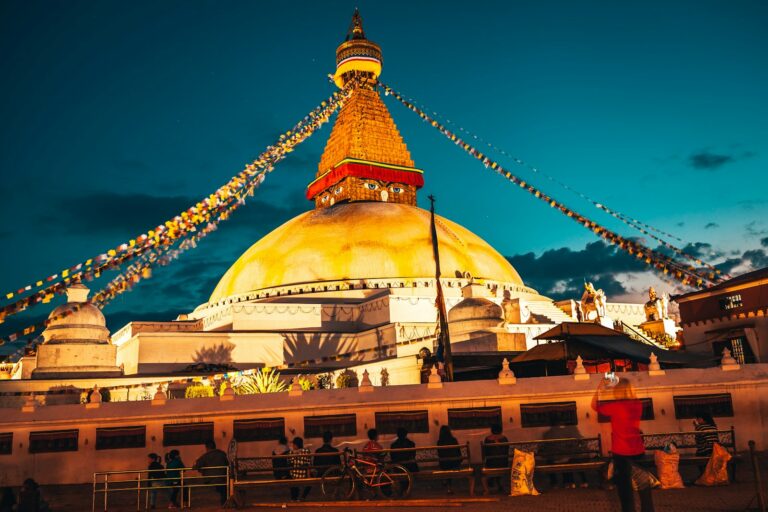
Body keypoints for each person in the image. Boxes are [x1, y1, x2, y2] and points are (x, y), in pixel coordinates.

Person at [592, 377, 655, 512]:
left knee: (625, 490)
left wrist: (600, 386)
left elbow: (594, 405)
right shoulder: (637, 404)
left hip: (621, 451)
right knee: (644, 486)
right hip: (638, 449)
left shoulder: (615, 406)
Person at [193, 440, 230, 505]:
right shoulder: (222, 454)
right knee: (224, 489)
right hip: (222, 478)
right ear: (215, 446)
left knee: (222, 488)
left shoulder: (205, 456)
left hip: (210, 479)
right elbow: (227, 464)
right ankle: (225, 503)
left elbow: (196, 467)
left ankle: (224, 503)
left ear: (206, 447)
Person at [483, 424, 509, 494]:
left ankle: (488, 489)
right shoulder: (504, 438)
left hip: (491, 463)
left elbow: (485, 452)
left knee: (486, 472)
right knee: (499, 463)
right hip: (503, 463)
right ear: (501, 430)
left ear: (491, 430)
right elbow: (507, 450)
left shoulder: (487, 439)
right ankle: (500, 485)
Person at [437, 425, 462, 494]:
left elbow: (440, 454)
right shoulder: (454, 440)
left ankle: (447, 485)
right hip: (454, 462)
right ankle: (448, 485)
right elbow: (458, 451)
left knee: (445, 466)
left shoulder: (439, 442)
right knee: (449, 466)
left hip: (444, 464)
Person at [288, 437, 312, 502]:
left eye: (293, 444)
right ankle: (303, 497)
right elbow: (308, 464)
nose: (292, 446)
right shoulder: (306, 451)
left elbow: (289, 463)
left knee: (293, 481)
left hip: (294, 475)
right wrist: (308, 475)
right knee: (310, 483)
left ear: (296, 445)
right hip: (304, 474)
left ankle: (294, 498)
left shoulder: (291, 453)